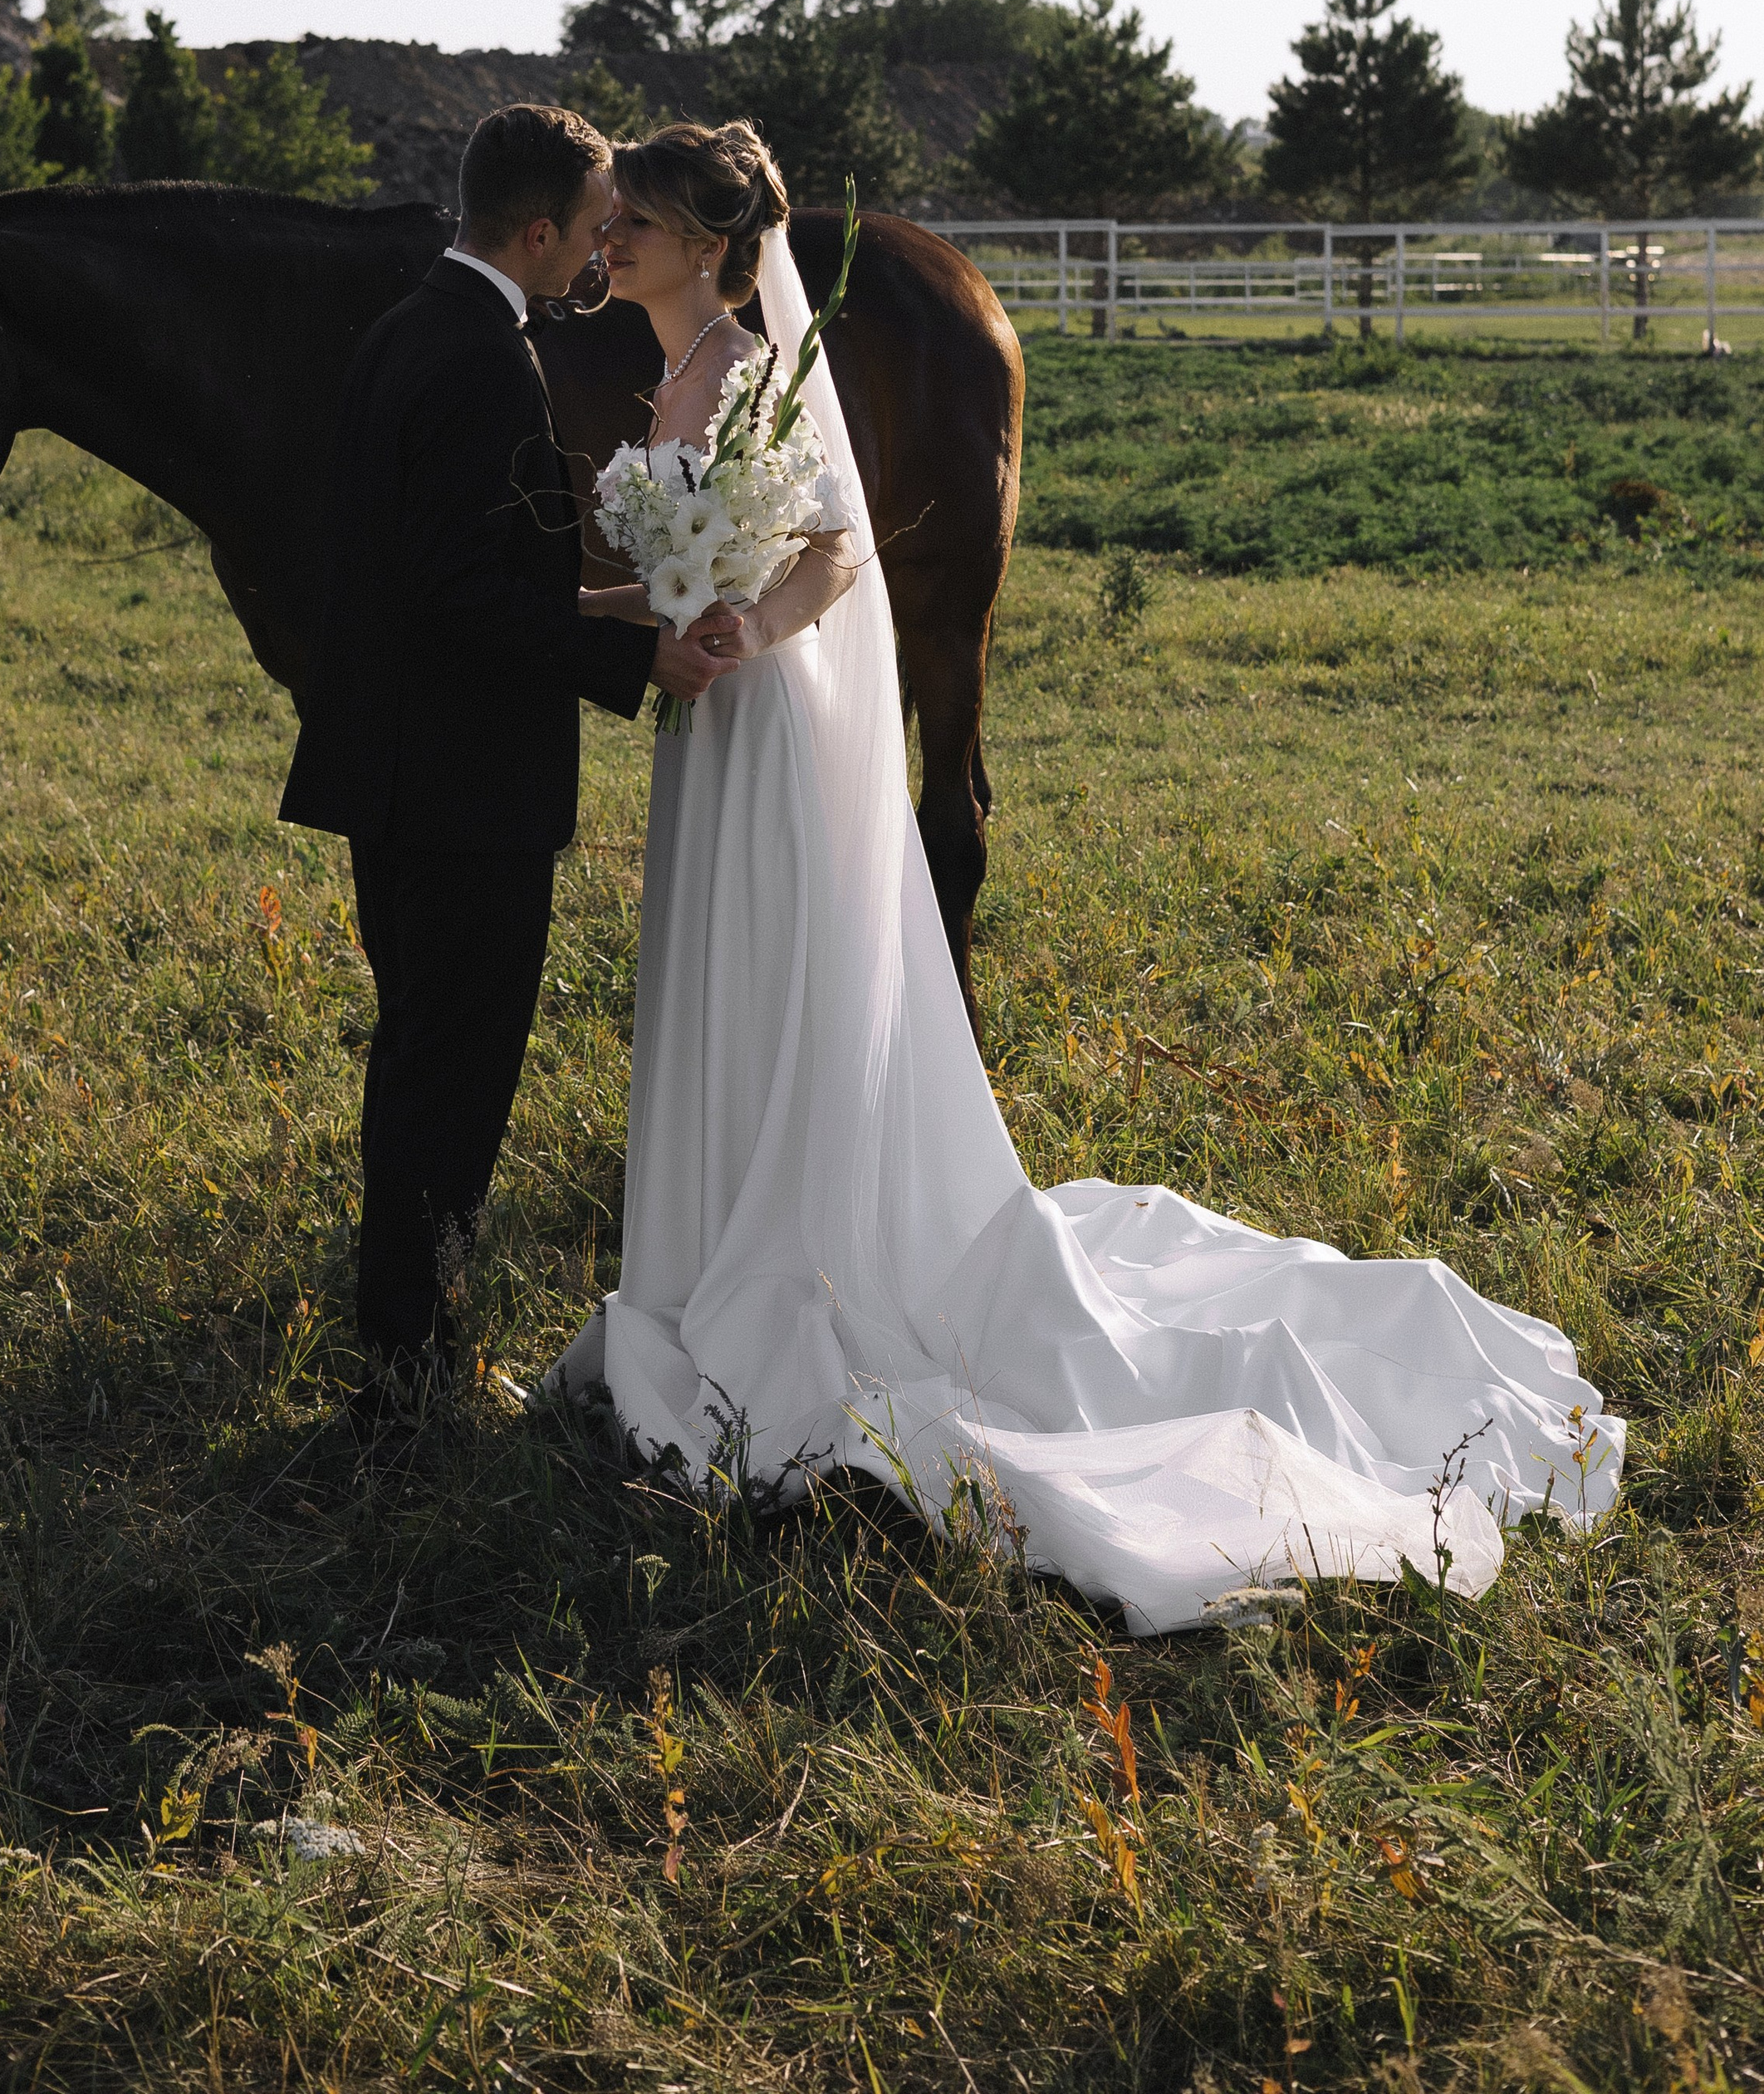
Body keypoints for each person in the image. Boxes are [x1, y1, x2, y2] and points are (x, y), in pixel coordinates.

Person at [558, 120, 1624, 1634]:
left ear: (715, 249)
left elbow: (837, 553)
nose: (616, 247)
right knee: (711, 985)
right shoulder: (661, 377)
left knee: (780, 977)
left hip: (763, 721)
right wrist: (604, 611)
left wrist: (750, 630)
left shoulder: (751, 369)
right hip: (700, 738)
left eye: (640, 227)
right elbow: (690, 557)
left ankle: (796, 1268)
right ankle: (699, 1255)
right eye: (616, 230)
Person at [281, 103, 728, 1403]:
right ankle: (413, 1372)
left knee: (420, 1056)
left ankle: (402, 1338)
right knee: (453, 1080)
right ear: (536, 231)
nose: (602, 251)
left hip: (397, 768)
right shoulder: (483, 360)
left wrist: (605, 612)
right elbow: (468, 595)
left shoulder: (407, 331)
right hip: (464, 786)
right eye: (594, 228)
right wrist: (636, 659)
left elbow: (429, 569)